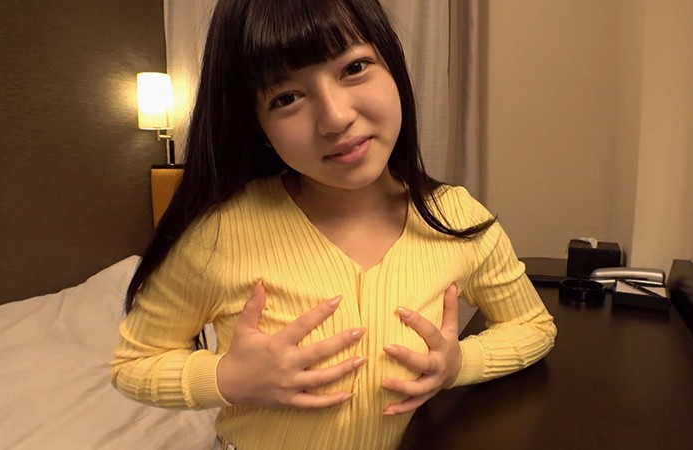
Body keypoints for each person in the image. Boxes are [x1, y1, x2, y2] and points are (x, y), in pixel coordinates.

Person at [110, 0, 557, 448]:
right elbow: (134, 364)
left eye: (354, 68)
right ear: (259, 127)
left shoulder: (455, 217)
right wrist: (227, 378)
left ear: (393, 65)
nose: (335, 117)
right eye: (286, 98)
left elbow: (533, 327)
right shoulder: (219, 234)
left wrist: (460, 364)